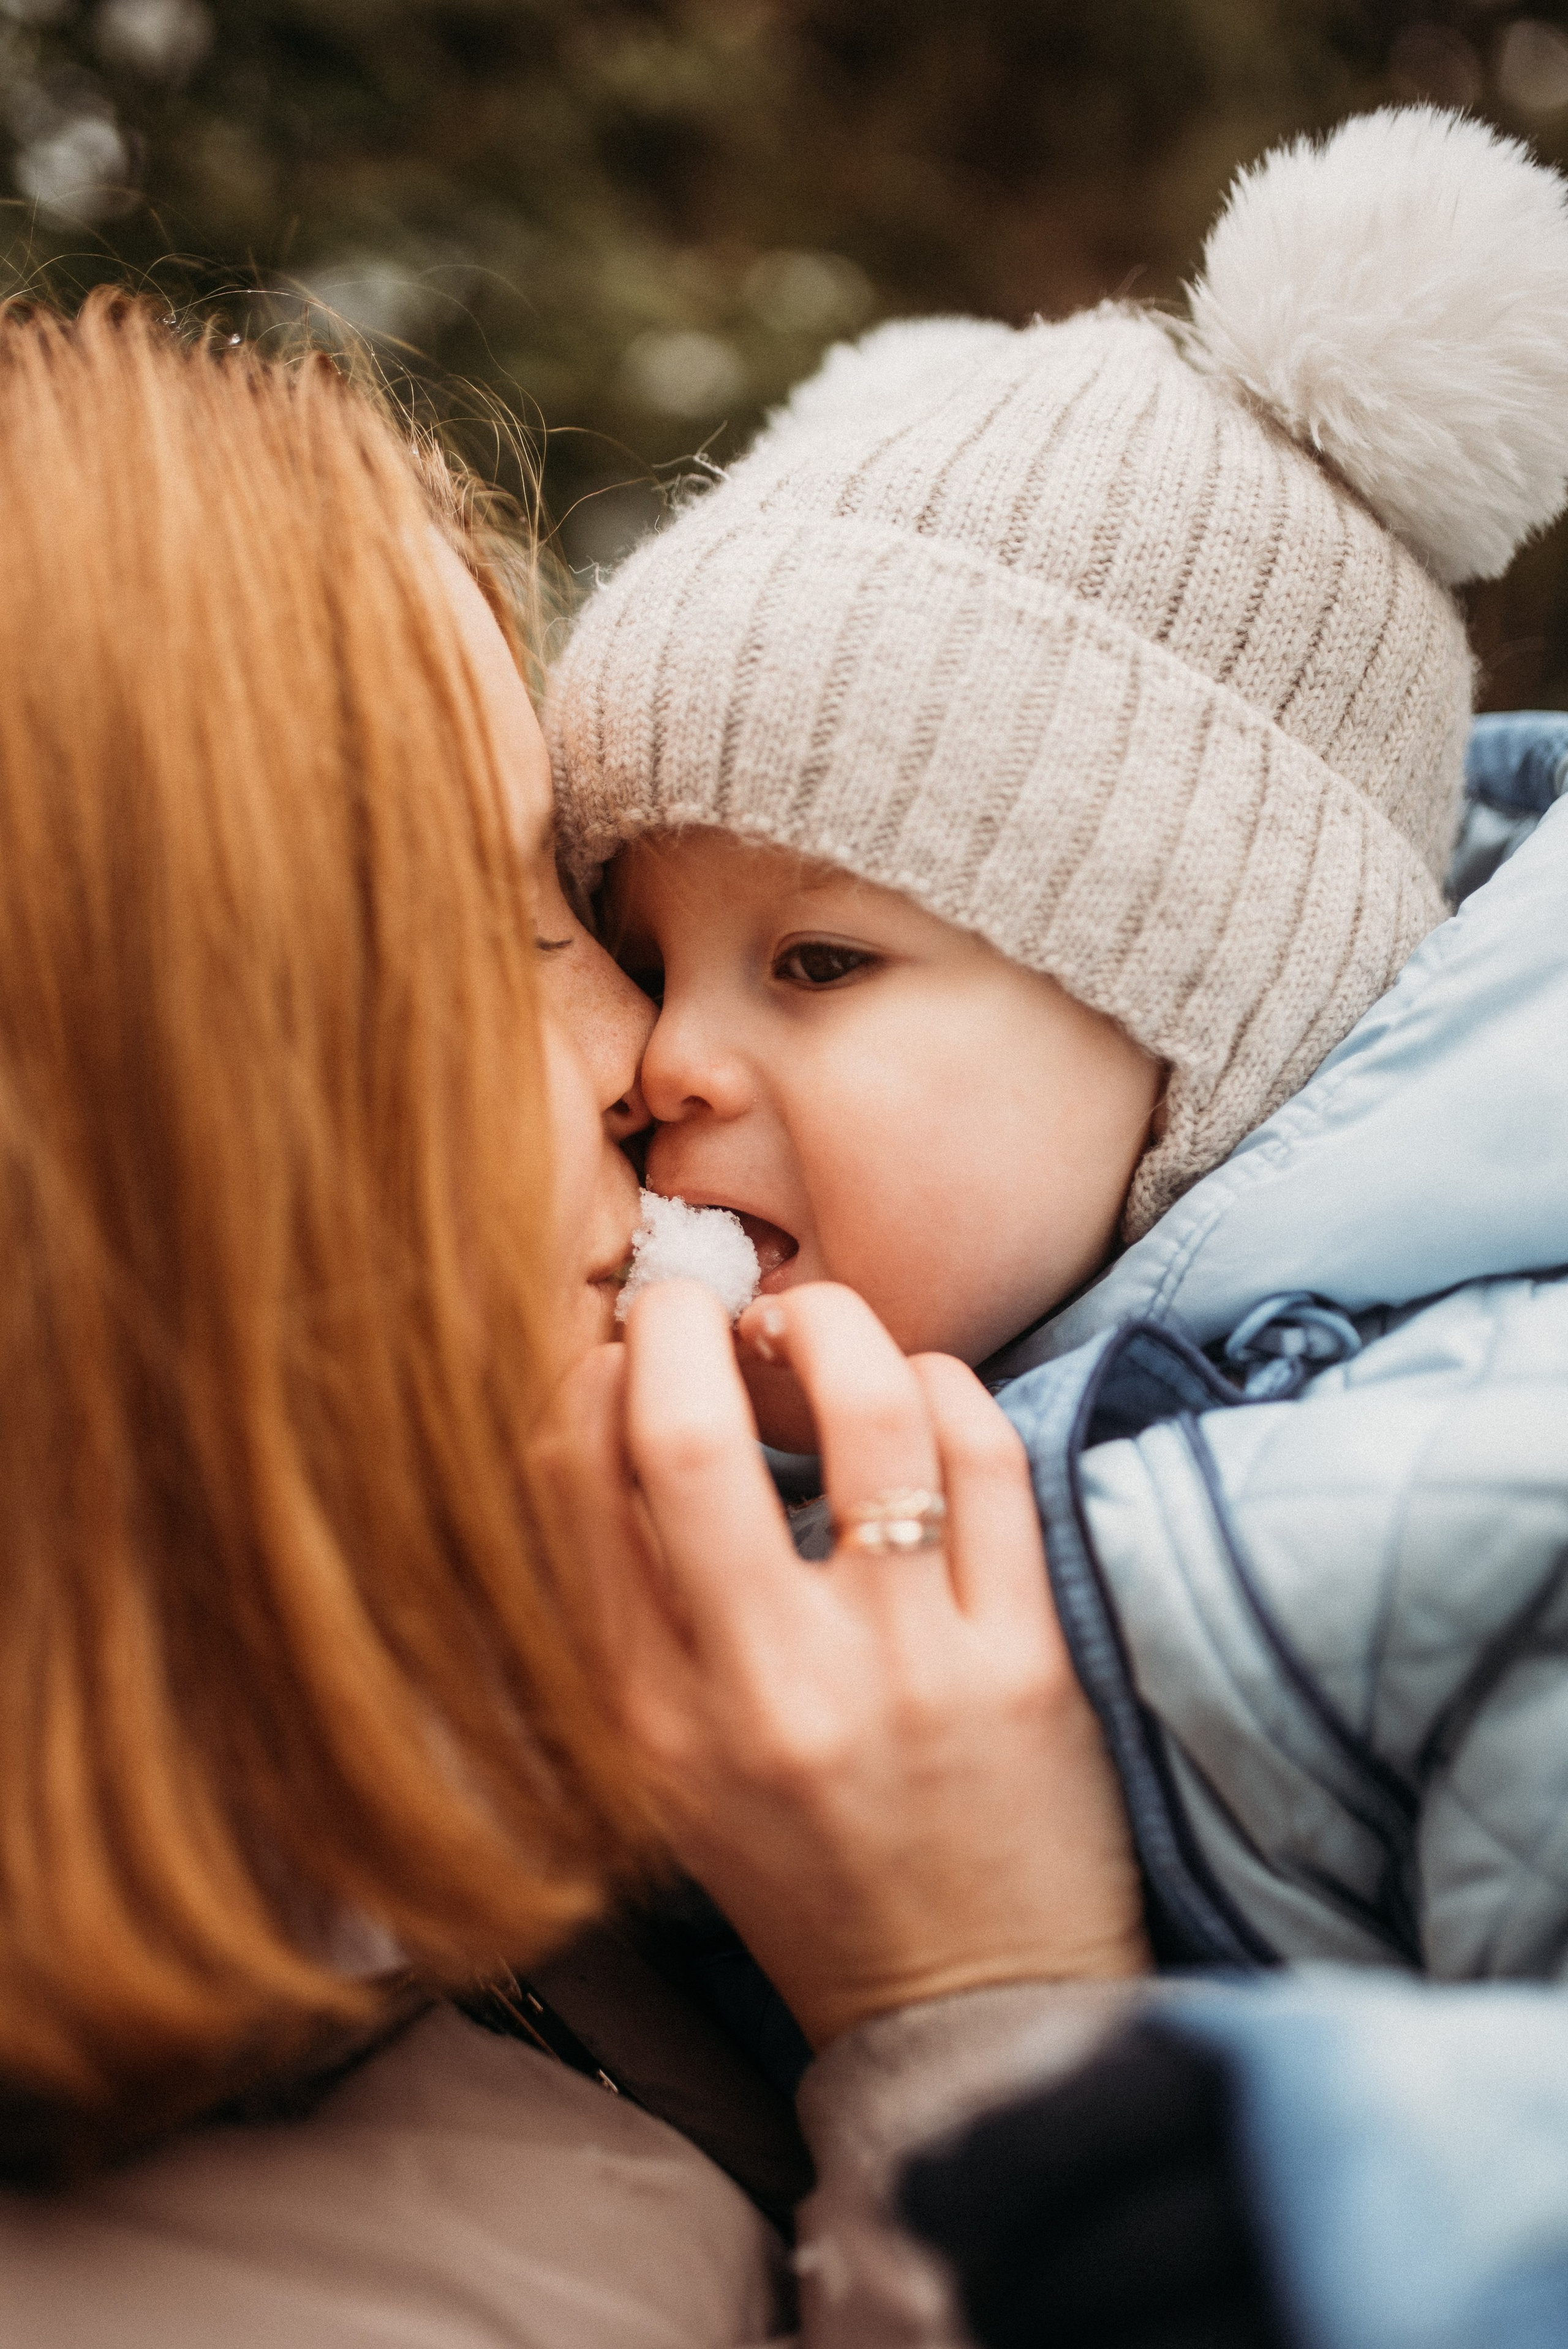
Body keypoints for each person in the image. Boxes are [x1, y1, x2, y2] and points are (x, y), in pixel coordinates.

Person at [0, 287, 1153, 2349]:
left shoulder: (491, 1810)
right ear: (145, 1107)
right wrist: (983, 2028)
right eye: (505, 925)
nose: (645, 1050)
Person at [546, 105, 1568, 1980]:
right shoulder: (718, 1442)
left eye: (820, 960)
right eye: (641, 956)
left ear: (1213, 1024)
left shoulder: (1481, 1489)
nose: (665, 1062)